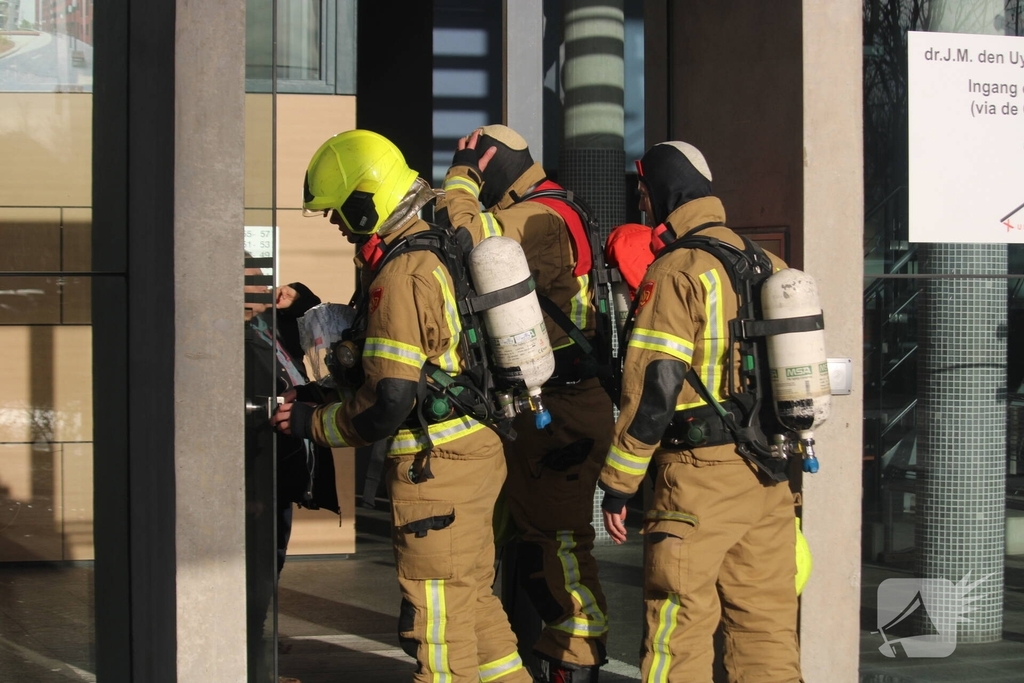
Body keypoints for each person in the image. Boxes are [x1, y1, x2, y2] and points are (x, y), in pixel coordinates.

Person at [271, 129, 533, 683]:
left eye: (340, 212)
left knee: (436, 628)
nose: (339, 226)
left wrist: (313, 423)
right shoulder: (430, 246)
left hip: (437, 468)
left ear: (366, 201)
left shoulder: (401, 271)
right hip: (472, 452)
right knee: (474, 608)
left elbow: (389, 401)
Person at [598, 141, 802, 682]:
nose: (643, 205)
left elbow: (655, 386)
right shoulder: (770, 264)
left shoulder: (678, 269)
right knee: (767, 632)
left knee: (677, 632)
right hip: (771, 474)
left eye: (644, 193)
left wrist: (619, 484)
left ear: (663, 190)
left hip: (698, 480)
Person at [441, 124, 612, 683]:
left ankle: (575, 662)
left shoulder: (533, 218)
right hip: (555, 406)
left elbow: (465, 245)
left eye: (476, 163)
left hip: (556, 408)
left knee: (558, 546)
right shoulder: (559, 204)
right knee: (535, 546)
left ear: (490, 163)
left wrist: (460, 180)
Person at [245, 273, 339, 683]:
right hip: (255, 479)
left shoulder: (269, 327)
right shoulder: (229, 338)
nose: (261, 291)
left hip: (280, 476)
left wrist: (293, 295)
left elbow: (311, 312)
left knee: (268, 568)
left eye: (261, 282)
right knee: (254, 575)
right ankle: (250, 666)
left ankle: (255, 662)